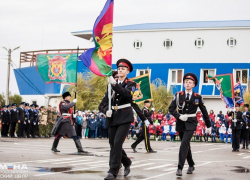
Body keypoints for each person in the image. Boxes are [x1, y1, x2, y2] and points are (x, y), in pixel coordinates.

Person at [98, 59, 136, 180]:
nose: (120, 70)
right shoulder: (109, 85)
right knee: (112, 144)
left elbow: (127, 95)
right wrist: (105, 111)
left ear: (128, 71)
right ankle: (126, 162)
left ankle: (113, 170)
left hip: (125, 116)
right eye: (119, 68)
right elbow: (102, 104)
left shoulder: (131, 84)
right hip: (112, 117)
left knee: (118, 142)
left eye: (123, 69)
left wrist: (114, 84)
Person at [169, 73, 211, 176]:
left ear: (193, 85)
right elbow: (171, 109)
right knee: (187, 145)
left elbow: (204, 111)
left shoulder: (197, 97)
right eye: (186, 82)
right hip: (181, 122)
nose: (187, 84)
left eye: (190, 82)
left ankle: (179, 167)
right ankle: (191, 164)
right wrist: (178, 116)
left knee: (184, 143)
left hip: (191, 122)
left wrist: (208, 125)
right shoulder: (178, 95)